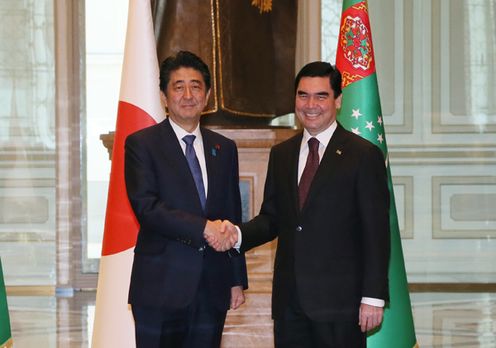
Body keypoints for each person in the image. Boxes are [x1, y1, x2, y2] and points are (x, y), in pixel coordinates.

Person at [208, 61, 390, 347]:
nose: (311, 104)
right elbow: (272, 218)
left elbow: (376, 233)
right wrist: (237, 234)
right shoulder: (282, 153)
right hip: (290, 305)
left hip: (340, 305)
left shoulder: (363, 155)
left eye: (321, 96)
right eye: (303, 95)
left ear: (338, 100)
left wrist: (373, 297)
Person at [124, 50, 248, 348]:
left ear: (207, 96)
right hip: (160, 286)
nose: (188, 94)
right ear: (165, 97)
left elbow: (232, 213)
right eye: (178, 86)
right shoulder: (142, 144)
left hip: (212, 286)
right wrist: (203, 227)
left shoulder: (225, 148)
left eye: (196, 86)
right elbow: (147, 207)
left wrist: (236, 279)